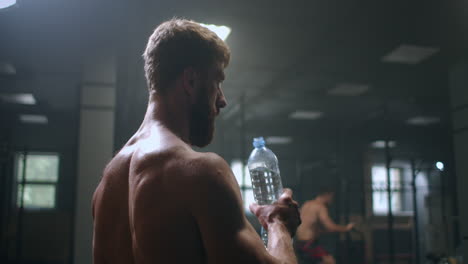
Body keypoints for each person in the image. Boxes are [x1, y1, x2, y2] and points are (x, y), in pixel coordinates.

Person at [91, 18, 301, 264]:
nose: (222, 100)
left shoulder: (107, 185)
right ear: (190, 81)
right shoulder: (200, 172)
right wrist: (279, 226)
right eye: (217, 82)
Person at [295, 188, 354, 264]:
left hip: (299, 244)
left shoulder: (307, 204)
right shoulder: (320, 207)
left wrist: (324, 231)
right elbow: (330, 226)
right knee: (330, 261)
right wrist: (346, 228)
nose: (332, 200)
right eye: (332, 197)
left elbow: (308, 226)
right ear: (327, 195)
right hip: (308, 244)